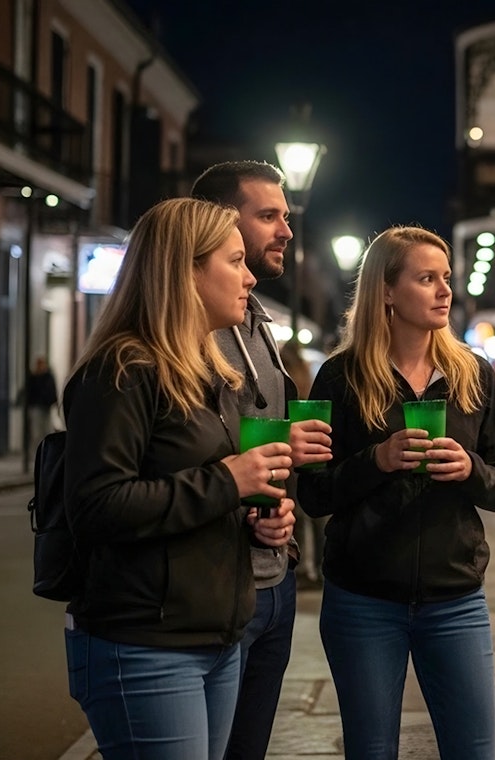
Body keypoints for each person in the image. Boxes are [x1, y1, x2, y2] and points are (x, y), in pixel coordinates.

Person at [61, 197, 297, 760]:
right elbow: (95, 506)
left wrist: (254, 520)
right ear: (186, 269)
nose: (248, 278)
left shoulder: (210, 373)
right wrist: (228, 481)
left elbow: (197, 492)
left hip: (216, 634)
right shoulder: (121, 369)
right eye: (234, 261)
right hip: (144, 642)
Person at [297, 225, 495, 759]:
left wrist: (469, 468)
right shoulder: (340, 377)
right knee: (372, 749)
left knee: (474, 749)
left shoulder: (473, 374)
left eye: (446, 277)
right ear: (387, 292)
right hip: (363, 599)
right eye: (427, 278)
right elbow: (314, 494)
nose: (445, 290)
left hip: (456, 598)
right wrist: (376, 460)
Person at [191, 160, 332, 760]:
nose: (286, 231)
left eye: (286, 215)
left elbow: (258, 446)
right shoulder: (189, 333)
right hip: (217, 587)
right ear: (221, 223)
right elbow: (189, 453)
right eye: (268, 216)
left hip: (273, 580)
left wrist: (284, 490)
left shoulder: (259, 326)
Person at [280, 338, 329, 588]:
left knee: (299, 513)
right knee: (314, 516)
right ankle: (318, 566)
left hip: (292, 449)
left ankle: (303, 566)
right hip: (310, 446)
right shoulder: (306, 372)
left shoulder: (285, 370)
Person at [22, 355, 59, 446]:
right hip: (36, 407)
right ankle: (37, 451)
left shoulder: (48, 377)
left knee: (47, 430)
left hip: (46, 407)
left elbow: (52, 391)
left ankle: (45, 449)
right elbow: (29, 392)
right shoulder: (33, 378)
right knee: (36, 431)